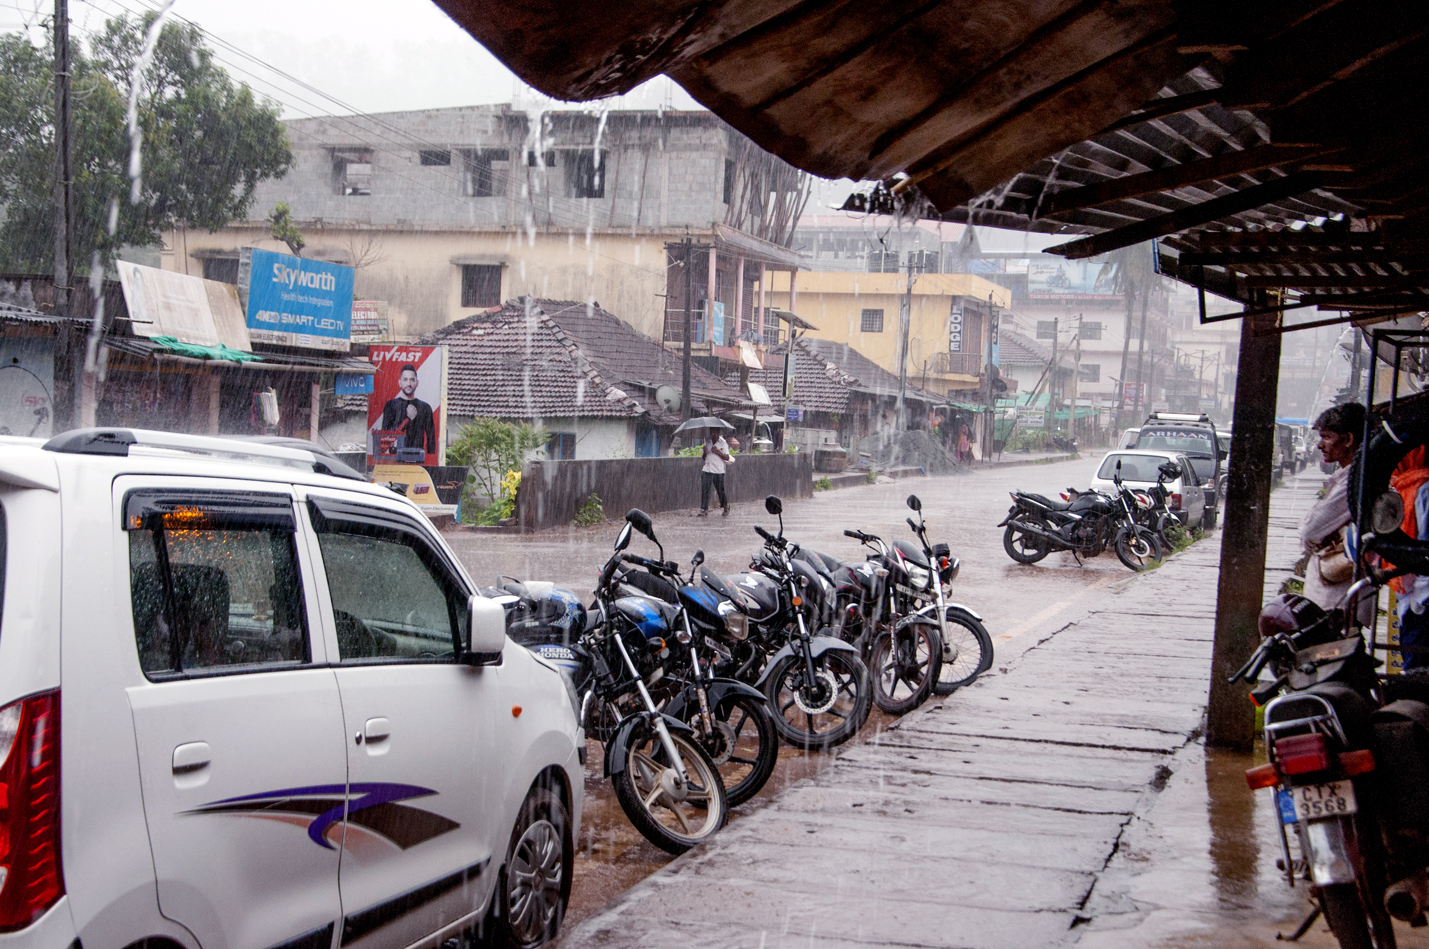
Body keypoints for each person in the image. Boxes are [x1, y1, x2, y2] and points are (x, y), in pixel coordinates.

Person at [1300, 402, 1371, 624]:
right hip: (1335, 596)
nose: (1320, 445)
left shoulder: (1353, 481)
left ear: (1348, 440)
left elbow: (1311, 531)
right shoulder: (1348, 477)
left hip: (1335, 600)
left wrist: (1311, 537)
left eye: (1327, 437)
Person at [380, 364, 437, 456]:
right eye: (405, 379)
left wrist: (430, 463)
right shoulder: (390, 405)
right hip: (395, 458)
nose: (408, 384)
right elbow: (385, 436)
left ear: (417, 383)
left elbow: (431, 439)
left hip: (417, 458)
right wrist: (408, 419)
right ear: (400, 382)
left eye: (412, 380)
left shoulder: (425, 408)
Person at [699, 431, 731, 517]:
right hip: (707, 469)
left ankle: (726, 505)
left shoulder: (723, 443)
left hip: (718, 470)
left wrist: (717, 452)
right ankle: (704, 509)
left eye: (715, 432)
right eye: (712, 432)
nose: (713, 434)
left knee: (720, 490)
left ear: (718, 433)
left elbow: (727, 457)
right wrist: (705, 452)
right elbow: (703, 458)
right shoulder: (707, 442)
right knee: (705, 489)